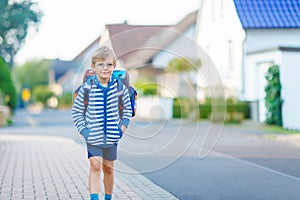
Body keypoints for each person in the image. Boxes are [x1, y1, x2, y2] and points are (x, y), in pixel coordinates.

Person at [72, 46, 132, 200]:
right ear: (93, 67)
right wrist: (85, 132)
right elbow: (77, 112)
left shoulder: (120, 88)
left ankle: (108, 197)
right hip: (93, 138)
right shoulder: (87, 88)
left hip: (112, 138)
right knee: (95, 166)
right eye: (100, 64)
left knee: (109, 169)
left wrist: (122, 129)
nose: (105, 68)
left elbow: (127, 111)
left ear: (114, 66)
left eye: (108, 65)